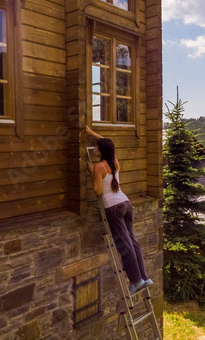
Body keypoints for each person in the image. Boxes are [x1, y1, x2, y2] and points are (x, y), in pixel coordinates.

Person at [85, 125, 153, 295]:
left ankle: (136, 281)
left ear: (100, 150)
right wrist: (91, 133)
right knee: (133, 241)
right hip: (126, 204)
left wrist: (92, 171)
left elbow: (98, 191)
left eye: (97, 146)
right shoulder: (114, 161)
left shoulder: (100, 167)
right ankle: (144, 277)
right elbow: (109, 144)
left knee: (125, 244)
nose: (95, 147)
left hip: (113, 208)